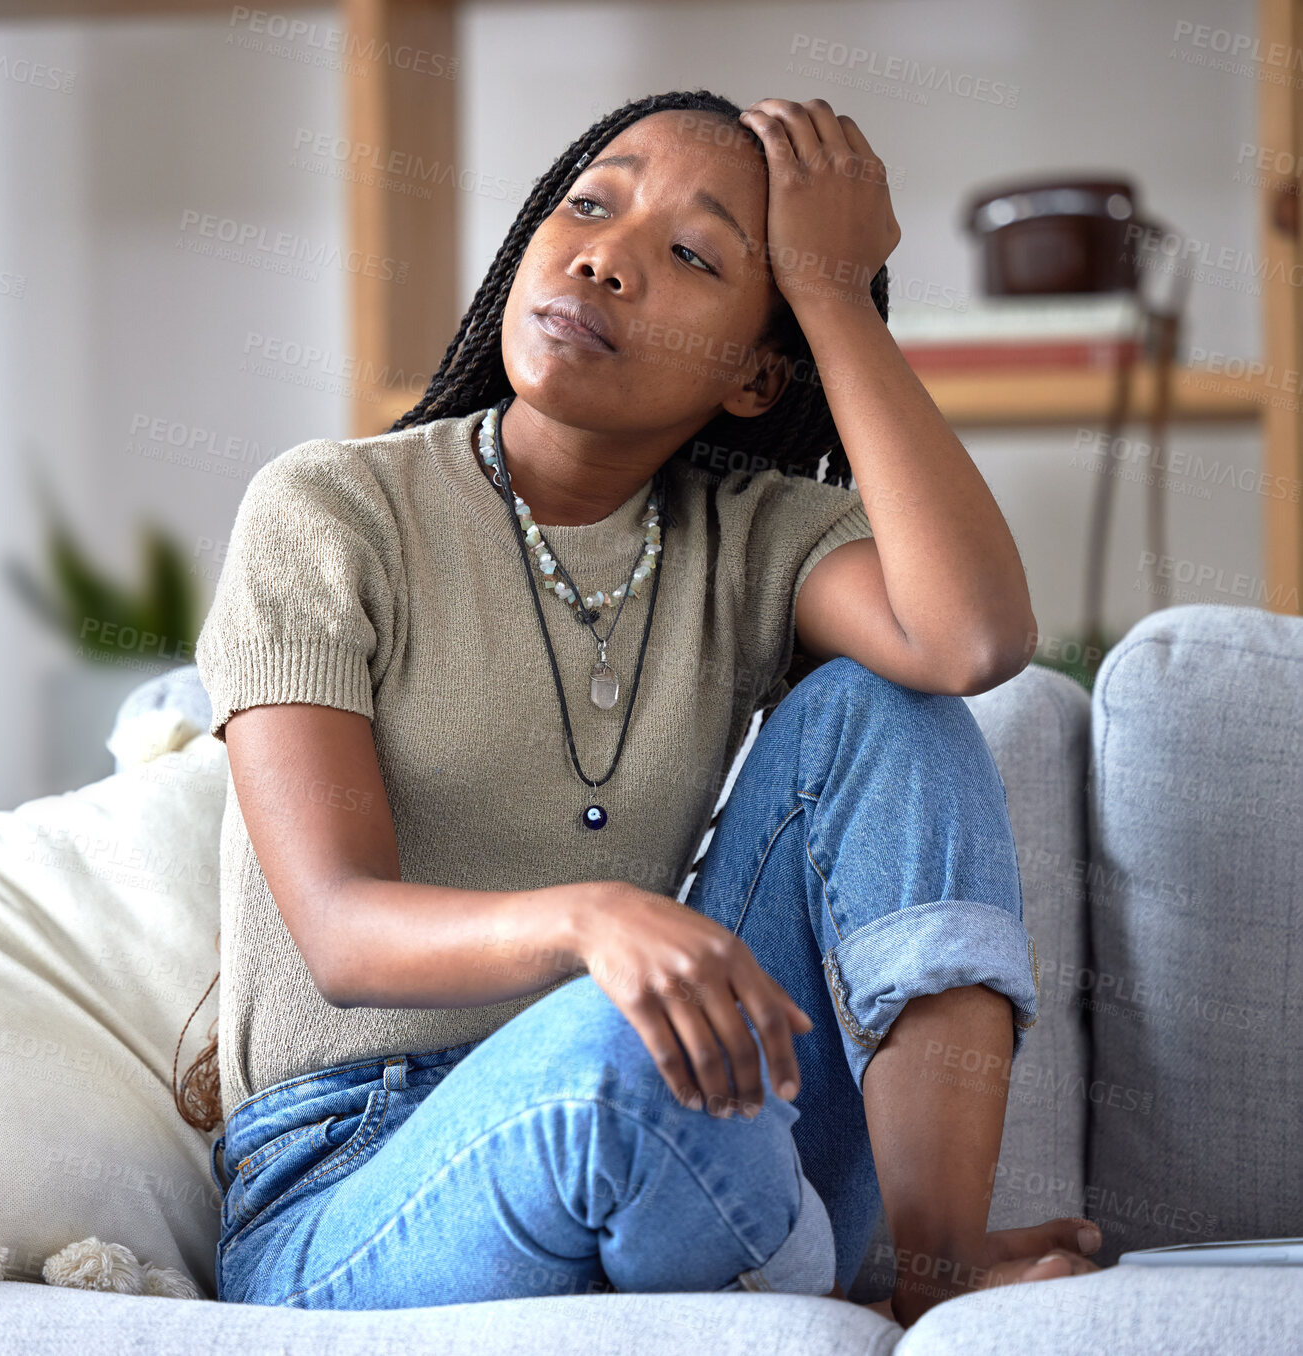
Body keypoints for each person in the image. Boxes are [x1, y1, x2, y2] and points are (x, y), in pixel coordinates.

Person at [177, 88, 1102, 1326]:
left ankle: (931, 1279)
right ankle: (786, 1274)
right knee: (618, 1053)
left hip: (688, 1120)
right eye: (588, 203)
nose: (604, 257)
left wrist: (832, 293)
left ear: (754, 372)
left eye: (688, 255)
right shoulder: (331, 512)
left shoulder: (747, 536)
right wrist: (597, 922)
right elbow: (341, 934)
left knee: (894, 709)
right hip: (353, 1182)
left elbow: (970, 638)